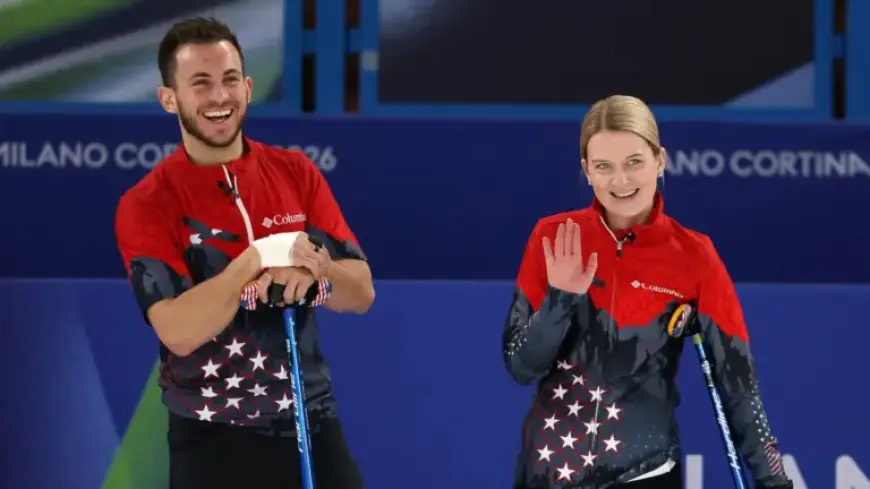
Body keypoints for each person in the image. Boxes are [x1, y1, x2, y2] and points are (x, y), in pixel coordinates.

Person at [114, 17, 375, 489]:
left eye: (230, 79)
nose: (219, 97)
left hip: (310, 421)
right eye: (200, 83)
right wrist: (258, 257)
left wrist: (317, 271)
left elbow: (361, 293)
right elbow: (178, 331)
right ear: (169, 98)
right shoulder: (147, 203)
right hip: (212, 436)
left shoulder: (295, 171)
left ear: (249, 88)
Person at [501, 95, 793, 489]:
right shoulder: (553, 237)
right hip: (549, 475)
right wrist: (560, 299)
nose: (620, 181)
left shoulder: (694, 255)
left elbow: (739, 385)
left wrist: (774, 482)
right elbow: (521, 366)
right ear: (586, 171)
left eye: (634, 162)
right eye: (603, 166)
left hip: (645, 475)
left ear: (660, 160)